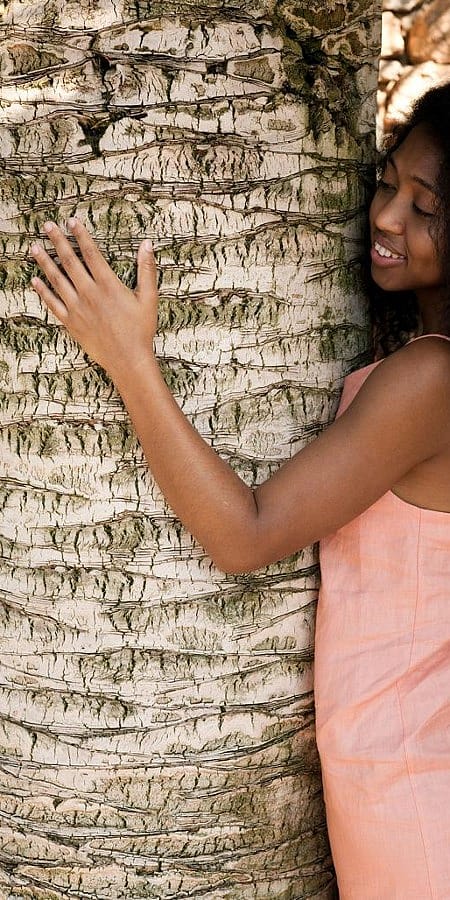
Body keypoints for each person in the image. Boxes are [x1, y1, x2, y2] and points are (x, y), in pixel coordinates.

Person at [29, 81, 450, 898]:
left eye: (427, 207)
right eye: (388, 181)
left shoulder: (431, 380)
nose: (388, 218)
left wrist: (130, 359)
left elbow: (245, 535)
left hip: (413, 789)